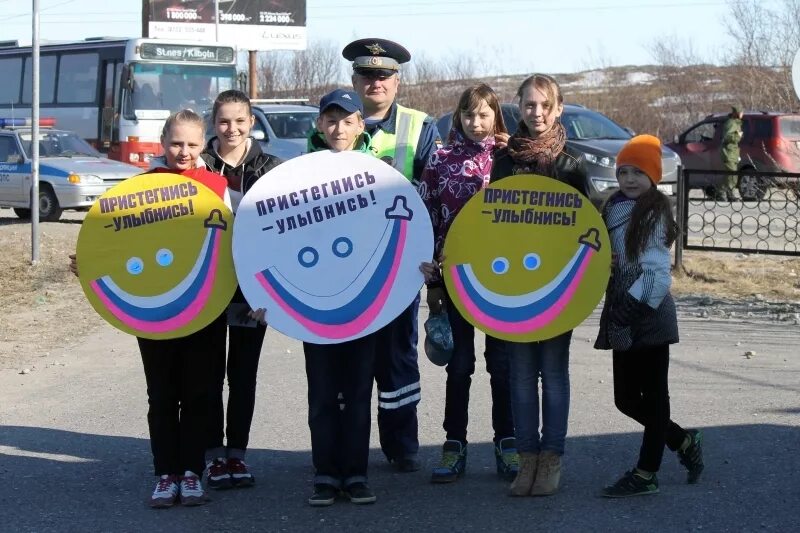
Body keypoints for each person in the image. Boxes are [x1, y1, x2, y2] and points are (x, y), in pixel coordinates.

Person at [70, 109, 230, 508]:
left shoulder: (217, 186)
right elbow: (114, 244)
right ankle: (165, 474)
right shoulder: (138, 188)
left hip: (204, 306)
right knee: (161, 395)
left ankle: (192, 472)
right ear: (163, 142)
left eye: (193, 144)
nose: (184, 152)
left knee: (199, 393)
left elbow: (232, 244)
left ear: (203, 143)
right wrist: (88, 265)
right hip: (153, 309)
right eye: (176, 143)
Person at [342, 37, 442, 473]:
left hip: (400, 261)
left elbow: (435, 191)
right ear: (354, 79)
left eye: (384, 75)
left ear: (397, 81)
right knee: (348, 356)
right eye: (367, 74)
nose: (375, 81)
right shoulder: (335, 122)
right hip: (343, 261)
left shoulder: (421, 126)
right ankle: (345, 447)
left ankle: (402, 445)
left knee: (398, 355)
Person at [489, 74, 587, 497]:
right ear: (519, 108)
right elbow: (490, 219)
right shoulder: (505, 161)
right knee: (521, 376)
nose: (537, 113)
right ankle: (526, 461)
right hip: (514, 283)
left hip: (558, 287)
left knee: (554, 373)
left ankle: (552, 461)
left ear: (558, 108)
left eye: (545, 105)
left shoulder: (570, 163)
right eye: (529, 105)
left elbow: (588, 229)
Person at [418, 83, 518, 483]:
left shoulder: (510, 159)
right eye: (468, 114)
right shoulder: (440, 159)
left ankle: (506, 444)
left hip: (504, 279)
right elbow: (424, 214)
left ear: (496, 115)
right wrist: (424, 264)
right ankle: (453, 445)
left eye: (484, 114)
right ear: (458, 117)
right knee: (459, 366)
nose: (476, 123)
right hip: (454, 277)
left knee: (503, 365)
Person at [595, 134, 705, 497]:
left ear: (654, 176)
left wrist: (627, 311)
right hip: (622, 314)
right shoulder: (613, 207)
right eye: (623, 171)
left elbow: (657, 275)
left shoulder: (654, 212)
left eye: (638, 172)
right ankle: (682, 440)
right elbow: (609, 253)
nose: (629, 178)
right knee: (625, 398)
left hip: (648, 314)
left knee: (655, 397)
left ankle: (646, 474)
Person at [199, 89, 281, 490]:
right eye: (223, 121)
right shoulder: (198, 165)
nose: (231, 129)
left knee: (243, 374)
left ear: (252, 122)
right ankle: (213, 457)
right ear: (213, 125)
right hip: (209, 288)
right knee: (210, 374)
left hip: (253, 293)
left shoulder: (274, 168)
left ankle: (238, 456)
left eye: (239, 120)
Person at [303, 88, 379, 506]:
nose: (338, 128)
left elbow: (396, 231)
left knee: (357, 392)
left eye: (347, 121)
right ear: (319, 125)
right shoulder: (301, 173)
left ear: (359, 126)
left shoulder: (377, 173)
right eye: (331, 120)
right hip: (315, 301)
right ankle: (325, 473)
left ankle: (356, 474)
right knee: (322, 393)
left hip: (365, 302)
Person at [719, 105, 744, 201]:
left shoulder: (737, 123)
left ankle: (726, 193)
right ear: (737, 113)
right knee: (731, 173)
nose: (742, 114)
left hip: (733, 152)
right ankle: (726, 192)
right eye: (741, 112)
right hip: (728, 152)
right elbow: (727, 137)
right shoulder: (731, 123)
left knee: (731, 174)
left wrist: (738, 135)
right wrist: (738, 136)